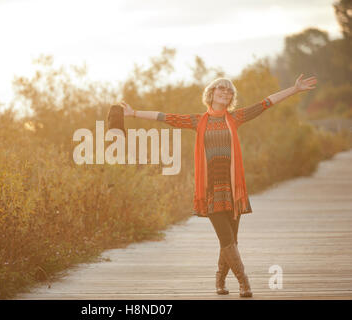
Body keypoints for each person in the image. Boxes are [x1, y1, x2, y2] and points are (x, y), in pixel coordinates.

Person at [119, 74, 317, 298]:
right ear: (211, 93)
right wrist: (134, 113)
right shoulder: (197, 121)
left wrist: (294, 89)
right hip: (211, 190)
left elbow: (266, 102)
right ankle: (244, 283)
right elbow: (166, 117)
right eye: (221, 89)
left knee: (231, 240)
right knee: (226, 238)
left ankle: (220, 279)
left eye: (229, 91)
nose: (225, 92)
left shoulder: (235, 118)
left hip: (233, 189)